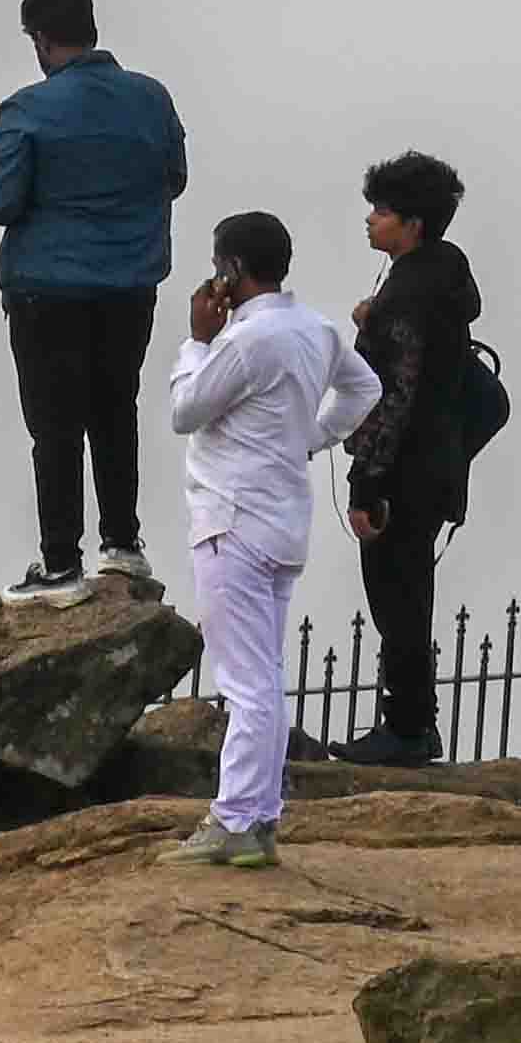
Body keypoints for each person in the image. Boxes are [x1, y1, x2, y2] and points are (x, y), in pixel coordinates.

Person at [161, 208, 380, 870]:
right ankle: (257, 818)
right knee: (266, 677)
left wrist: (197, 340)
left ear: (230, 269)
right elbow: (362, 387)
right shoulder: (314, 328)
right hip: (284, 521)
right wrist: (312, 437)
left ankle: (236, 820)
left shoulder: (244, 342)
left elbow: (184, 411)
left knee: (247, 684)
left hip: (232, 521)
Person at [0, 0, 190, 603]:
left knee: (55, 424)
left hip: (46, 287)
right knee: (114, 408)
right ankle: (123, 545)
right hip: (131, 284)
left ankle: (60, 564)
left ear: (40, 39)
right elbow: (174, 178)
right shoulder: (153, 100)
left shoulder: (25, 110)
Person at [317, 150, 483, 767]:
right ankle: (414, 723)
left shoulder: (406, 298)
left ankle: (408, 728)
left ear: (411, 224)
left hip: (405, 475)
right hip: (442, 463)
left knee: (397, 599)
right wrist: (373, 315)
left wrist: (366, 485)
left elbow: (393, 397)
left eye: (382, 210)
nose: (370, 219)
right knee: (413, 593)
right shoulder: (445, 273)